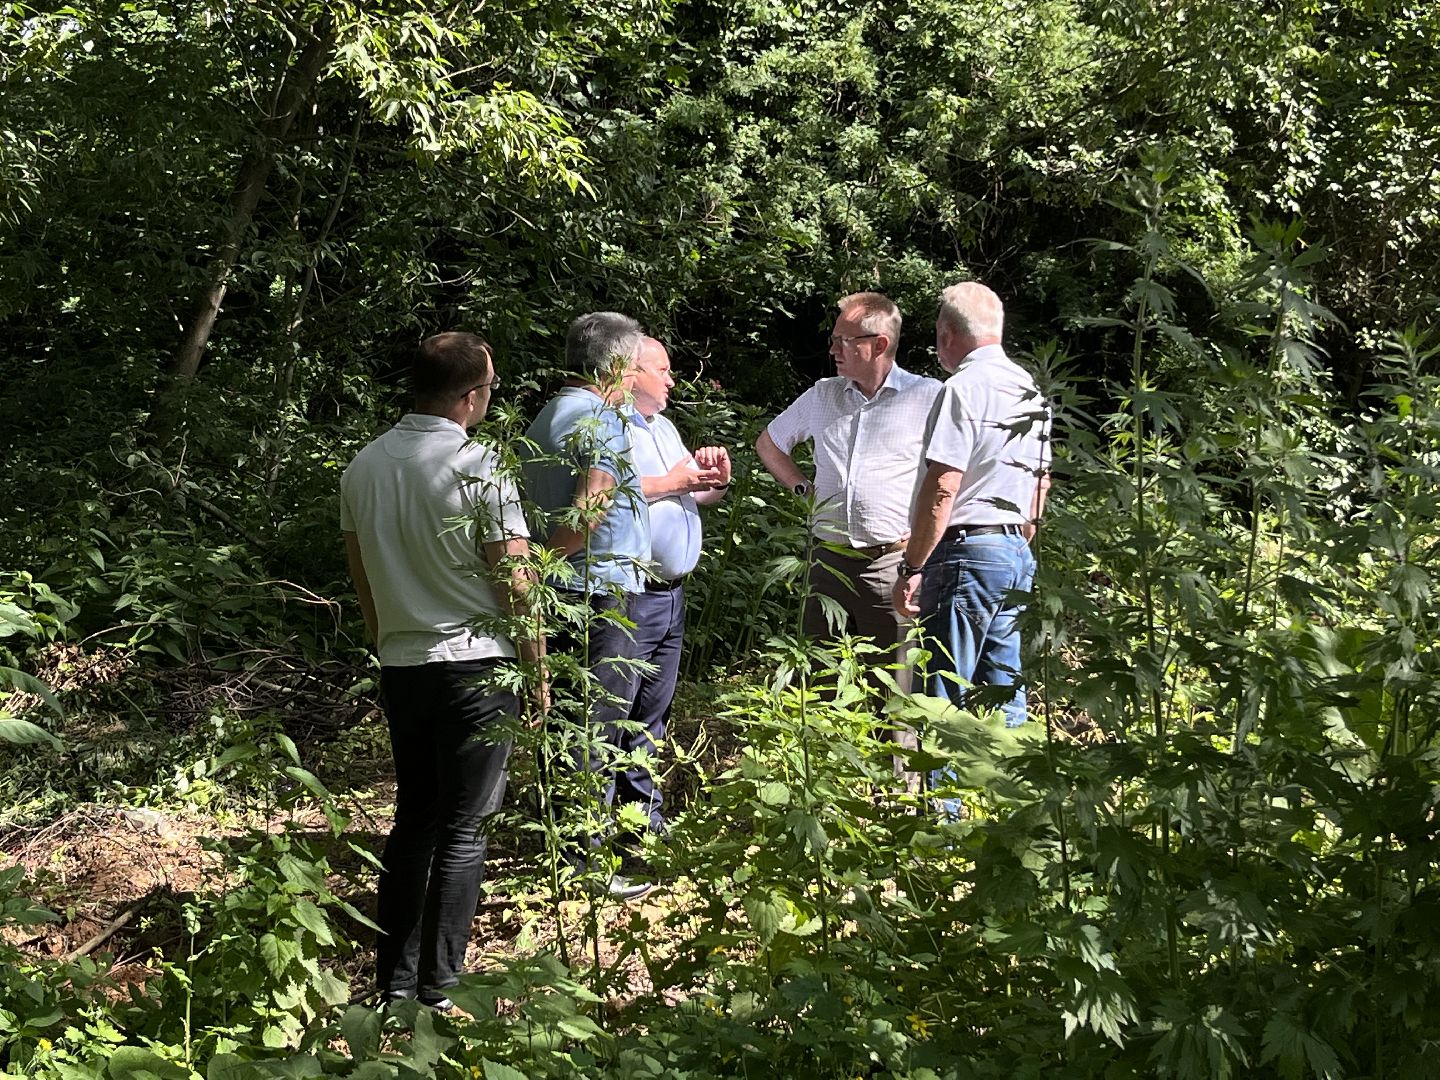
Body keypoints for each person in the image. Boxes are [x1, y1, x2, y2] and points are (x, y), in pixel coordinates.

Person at [341, 331, 539, 1009]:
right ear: (469, 396)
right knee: (466, 826)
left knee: (414, 819)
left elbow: (362, 579)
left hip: (403, 663)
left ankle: (392, 983)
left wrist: (387, 643)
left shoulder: (362, 467)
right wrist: (536, 668)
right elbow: (515, 577)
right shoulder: (479, 464)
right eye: (490, 387)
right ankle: (440, 987)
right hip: (478, 666)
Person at [520, 311, 658, 900]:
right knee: (596, 726)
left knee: (568, 718)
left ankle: (560, 847)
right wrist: (547, 561)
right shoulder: (603, 420)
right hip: (600, 592)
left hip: (564, 593)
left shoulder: (545, 416)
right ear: (620, 365)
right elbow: (588, 512)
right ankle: (585, 865)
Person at [892, 282, 1052, 729]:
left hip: (965, 553)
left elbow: (943, 486)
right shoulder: (1031, 392)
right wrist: (1015, 544)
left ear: (946, 333)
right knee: (1002, 691)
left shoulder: (961, 388)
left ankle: (941, 801)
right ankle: (1003, 794)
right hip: (1014, 553)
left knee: (942, 692)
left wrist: (911, 567)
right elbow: (1041, 482)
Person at [756, 292, 942, 667]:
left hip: (893, 564)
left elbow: (950, 479)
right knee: (819, 675)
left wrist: (921, 558)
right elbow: (769, 444)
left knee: (894, 683)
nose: (834, 349)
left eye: (845, 340)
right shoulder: (823, 395)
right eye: (835, 339)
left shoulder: (928, 397)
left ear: (880, 345)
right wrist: (804, 491)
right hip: (826, 561)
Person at [624, 337, 730, 835]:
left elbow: (695, 492)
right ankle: (605, 829)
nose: (671, 380)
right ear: (630, 371)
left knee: (653, 713)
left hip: (672, 593)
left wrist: (717, 481)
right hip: (631, 593)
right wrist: (674, 482)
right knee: (615, 715)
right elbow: (606, 493)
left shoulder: (663, 426)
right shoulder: (612, 426)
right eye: (662, 370)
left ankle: (646, 820)